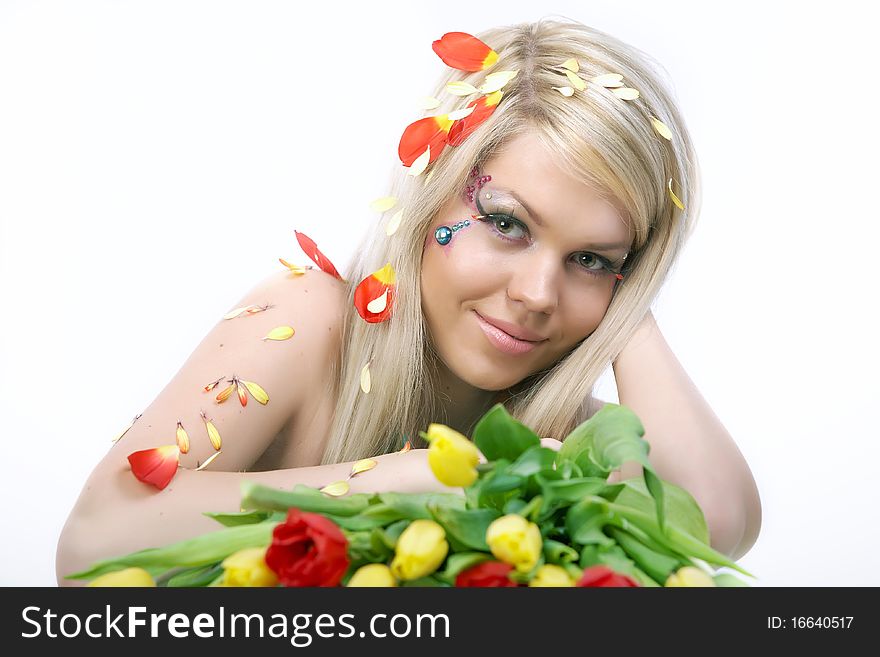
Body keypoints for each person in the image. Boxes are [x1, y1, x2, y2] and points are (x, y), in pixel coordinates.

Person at [55, 18, 761, 586]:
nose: (538, 295)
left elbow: (718, 520)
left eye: (589, 259)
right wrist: (406, 480)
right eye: (508, 223)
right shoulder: (305, 319)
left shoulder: (572, 443)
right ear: (429, 194)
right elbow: (91, 542)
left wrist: (626, 298)